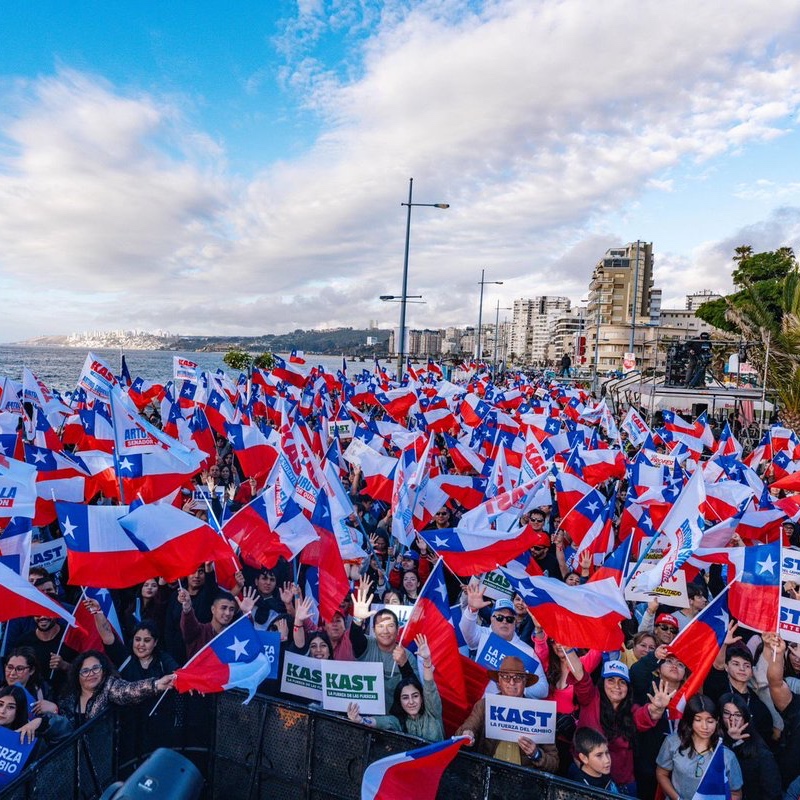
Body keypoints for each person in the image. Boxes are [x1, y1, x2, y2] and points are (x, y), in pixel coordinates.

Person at [571, 656, 674, 795]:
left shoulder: (632, 710)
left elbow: (647, 715)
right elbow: (579, 674)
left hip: (622, 784)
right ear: (602, 683)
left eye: (622, 682)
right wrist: (568, 650)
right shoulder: (591, 699)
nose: (616, 686)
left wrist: (658, 708)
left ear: (628, 687)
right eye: (611, 680)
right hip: (587, 777)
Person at [455, 655, 558, 770]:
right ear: (499, 681)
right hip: (488, 774)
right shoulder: (485, 705)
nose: (512, 682)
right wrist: (467, 734)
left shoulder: (539, 711)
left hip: (523, 781)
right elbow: (467, 728)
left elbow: (554, 763)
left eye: (518, 678)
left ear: (525, 682)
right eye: (506, 677)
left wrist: (536, 754)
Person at [347, 635, 444, 742]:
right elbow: (380, 722)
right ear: (400, 702)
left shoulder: (433, 711)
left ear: (422, 698)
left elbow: (429, 687)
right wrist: (361, 720)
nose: (411, 702)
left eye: (415, 696)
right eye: (405, 698)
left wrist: (427, 660)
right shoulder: (398, 721)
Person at [459, 586, 547, 698]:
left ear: (515, 622)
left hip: (508, 709)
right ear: (491, 618)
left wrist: (517, 689)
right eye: (500, 617)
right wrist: (472, 610)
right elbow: (466, 629)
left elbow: (543, 688)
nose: (504, 621)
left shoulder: (527, 651)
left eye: (509, 619)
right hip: (480, 703)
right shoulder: (482, 635)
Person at [56, 651, 176, 729]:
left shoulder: (109, 685)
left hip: (104, 760)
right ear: (78, 675)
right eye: (85, 671)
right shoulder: (68, 698)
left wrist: (155, 685)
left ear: (104, 670)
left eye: (96, 668)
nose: (91, 674)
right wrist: (54, 712)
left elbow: (129, 690)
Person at [656, 693, 743, 800]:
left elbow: (736, 793)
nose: (705, 727)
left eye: (710, 721)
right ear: (690, 720)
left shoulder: (726, 756)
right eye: (698, 720)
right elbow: (661, 773)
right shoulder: (673, 742)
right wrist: (677, 799)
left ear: (717, 721)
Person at [348, 578, 419, 698]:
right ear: (374, 630)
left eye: (390, 626)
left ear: (397, 631)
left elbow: (415, 690)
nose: (385, 631)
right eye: (380, 626)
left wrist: (404, 664)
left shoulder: (407, 656)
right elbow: (355, 637)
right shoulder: (367, 645)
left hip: (393, 715)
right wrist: (358, 619)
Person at [718, 692, 781, 800]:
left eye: (738, 715)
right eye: (727, 713)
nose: (732, 719)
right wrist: (729, 740)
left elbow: (772, 793)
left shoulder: (761, 752)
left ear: (746, 718)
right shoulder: (715, 741)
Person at [178, 587, 257, 658]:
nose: (227, 613)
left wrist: (247, 614)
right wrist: (187, 607)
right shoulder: (199, 631)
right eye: (223, 608)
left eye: (231, 609)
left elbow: (248, 637)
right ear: (213, 609)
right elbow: (189, 624)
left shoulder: (233, 637)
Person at [567, 727, 620, 793]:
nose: (607, 760)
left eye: (607, 753)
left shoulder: (609, 778)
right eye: (599, 755)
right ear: (584, 758)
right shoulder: (580, 789)